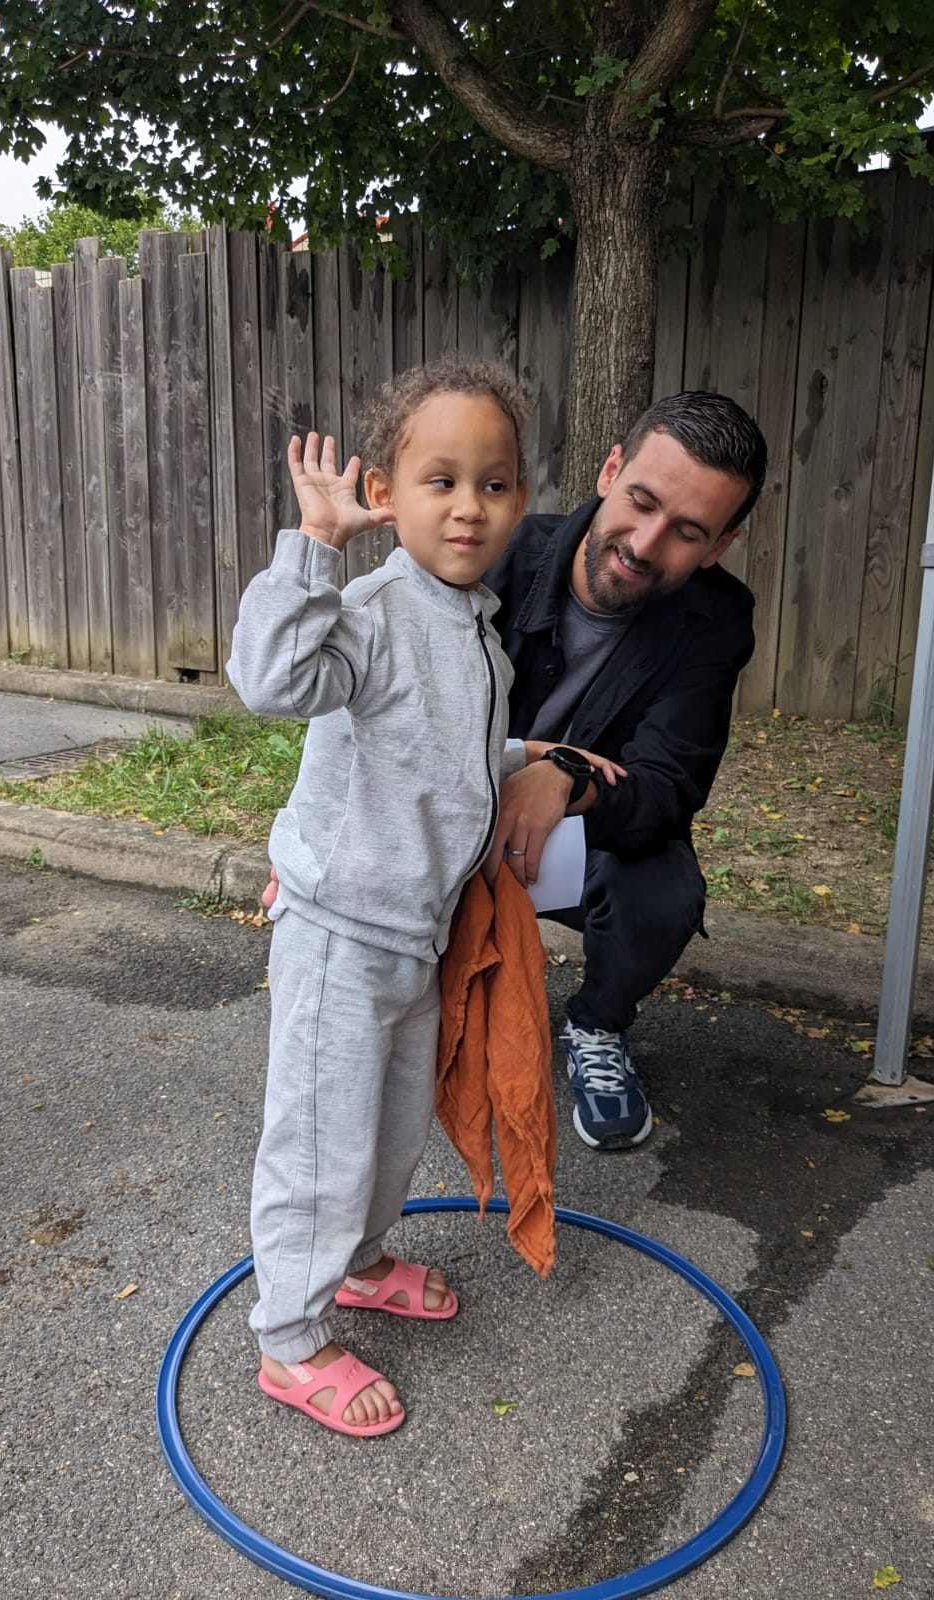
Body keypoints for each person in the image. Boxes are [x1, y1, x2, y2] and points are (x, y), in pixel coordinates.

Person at [226, 360, 620, 1437]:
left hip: (416, 937)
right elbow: (272, 680)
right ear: (385, 492)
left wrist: (531, 754)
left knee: (391, 1130)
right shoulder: (369, 611)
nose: (468, 507)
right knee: (320, 1142)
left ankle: (356, 1263)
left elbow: (445, 751)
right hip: (340, 936)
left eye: (493, 484)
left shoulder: (474, 626)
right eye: (440, 480)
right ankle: (289, 1341)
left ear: (522, 500)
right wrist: (314, 546)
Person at [482, 390, 768, 1154]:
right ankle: (441, 997)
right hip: (461, 806)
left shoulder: (716, 619)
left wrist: (564, 779)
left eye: (687, 532)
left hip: (582, 830)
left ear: (719, 545)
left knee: (664, 889)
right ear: (611, 469)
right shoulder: (496, 551)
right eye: (642, 501)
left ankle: (597, 1023)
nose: (644, 544)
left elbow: (667, 787)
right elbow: (387, 706)